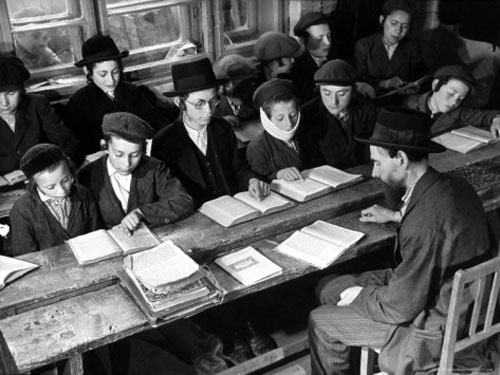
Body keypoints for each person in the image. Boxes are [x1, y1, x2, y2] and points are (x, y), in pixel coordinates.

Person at [309, 107, 493, 375]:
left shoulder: (425, 224)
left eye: (378, 162)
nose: (374, 173)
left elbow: (399, 308)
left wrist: (361, 296)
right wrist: (396, 214)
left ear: (402, 159)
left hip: (433, 323)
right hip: (456, 295)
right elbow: (435, 228)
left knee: (320, 322)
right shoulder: (454, 185)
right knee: (327, 286)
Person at [152, 57, 270, 209]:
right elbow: (167, 194)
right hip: (194, 215)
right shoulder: (164, 142)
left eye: (213, 101)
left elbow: (237, 169)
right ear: (179, 103)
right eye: (200, 104)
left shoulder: (222, 129)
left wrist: (251, 180)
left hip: (233, 208)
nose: (208, 111)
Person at [78, 112, 193, 233]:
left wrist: (142, 212)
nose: (126, 164)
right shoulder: (86, 175)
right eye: (119, 154)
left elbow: (183, 201)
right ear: (104, 146)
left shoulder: (154, 167)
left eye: (135, 155)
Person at [67, 34, 178, 154]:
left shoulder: (132, 91)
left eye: (115, 72)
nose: (111, 80)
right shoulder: (78, 102)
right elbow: (82, 145)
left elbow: (155, 121)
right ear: (88, 71)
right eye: (102, 74)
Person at [10, 144, 101, 256]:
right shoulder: (23, 209)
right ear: (34, 184)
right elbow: (25, 256)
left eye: (66, 180)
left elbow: (98, 236)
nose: (62, 190)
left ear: (71, 171)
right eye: (51, 187)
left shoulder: (84, 195)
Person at [0, 53, 83, 175]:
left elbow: (68, 142)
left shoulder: (37, 104)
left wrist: (62, 166)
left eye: (11, 94)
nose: (4, 103)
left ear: (22, 90)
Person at [300, 59, 377, 169]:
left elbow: (370, 154)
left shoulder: (367, 110)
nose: (333, 102)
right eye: (326, 93)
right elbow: (310, 160)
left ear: (353, 91)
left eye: (341, 94)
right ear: (318, 90)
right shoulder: (307, 114)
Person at [353, 0, 428, 98]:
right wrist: (384, 83)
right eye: (394, 23)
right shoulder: (364, 45)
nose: (398, 30)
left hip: (401, 103)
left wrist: (412, 87)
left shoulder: (412, 48)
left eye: (404, 26)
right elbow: (358, 79)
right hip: (370, 101)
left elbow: (421, 78)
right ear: (382, 20)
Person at [246, 78, 316, 181]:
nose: (289, 124)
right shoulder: (258, 147)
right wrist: (278, 175)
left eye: (293, 115)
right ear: (267, 118)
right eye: (280, 118)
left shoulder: (308, 133)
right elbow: (257, 182)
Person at [403, 64, 500, 137]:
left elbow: (485, 115)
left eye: (461, 98)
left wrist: (497, 119)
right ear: (436, 85)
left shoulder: (459, 113)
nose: (454, 102)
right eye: (451, 94)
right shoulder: (408, 104)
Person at [290, 12, 332, 103]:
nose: (327, 43)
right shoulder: (295, 66)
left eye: (329, 36)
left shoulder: (335, 56)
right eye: (319, 39)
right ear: (304, 40)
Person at [213, 54, 259, 127]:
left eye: (238, 82)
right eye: (226, 83)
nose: (231, 86)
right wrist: (220, 122)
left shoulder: (258, 100)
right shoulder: (214, 104)